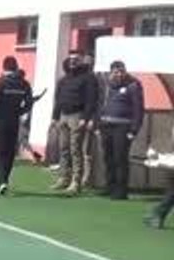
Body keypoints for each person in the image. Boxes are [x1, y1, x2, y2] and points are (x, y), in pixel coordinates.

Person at [51, 54, 98, 195]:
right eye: (70, 60)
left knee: (75, 150)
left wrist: (86, 117)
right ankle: (63, 178)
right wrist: (55, 117)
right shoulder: (63, 79)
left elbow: (91, 99)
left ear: (80, 62)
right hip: (63, 116)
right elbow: (58, 99)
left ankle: (76, 182)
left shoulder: (88, 78)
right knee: (63, 149)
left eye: (75, 60)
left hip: (77, 116)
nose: (72, 62)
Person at [0, 56, 33, 195]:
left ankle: (1, 182)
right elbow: (29, 103)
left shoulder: (1, 82)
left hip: (0, 120)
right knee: (10, 153)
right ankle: (5, 179)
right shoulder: (24, 83)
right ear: (16, 67)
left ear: (4, 67)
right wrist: (19, 111)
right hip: (14, 121)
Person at [99, 60, 145, 200]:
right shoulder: (107, 85)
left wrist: (134, 130)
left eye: (121, 72)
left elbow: (139, 109)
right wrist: (97, 124)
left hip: (123, 126)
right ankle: (110, 186)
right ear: (111, 72)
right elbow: (99, 104)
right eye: (115, 72)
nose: (119, 75)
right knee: (108, 157)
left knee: (120, 159)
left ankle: (121, 191)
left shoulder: (133, 85)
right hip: (106, 124)